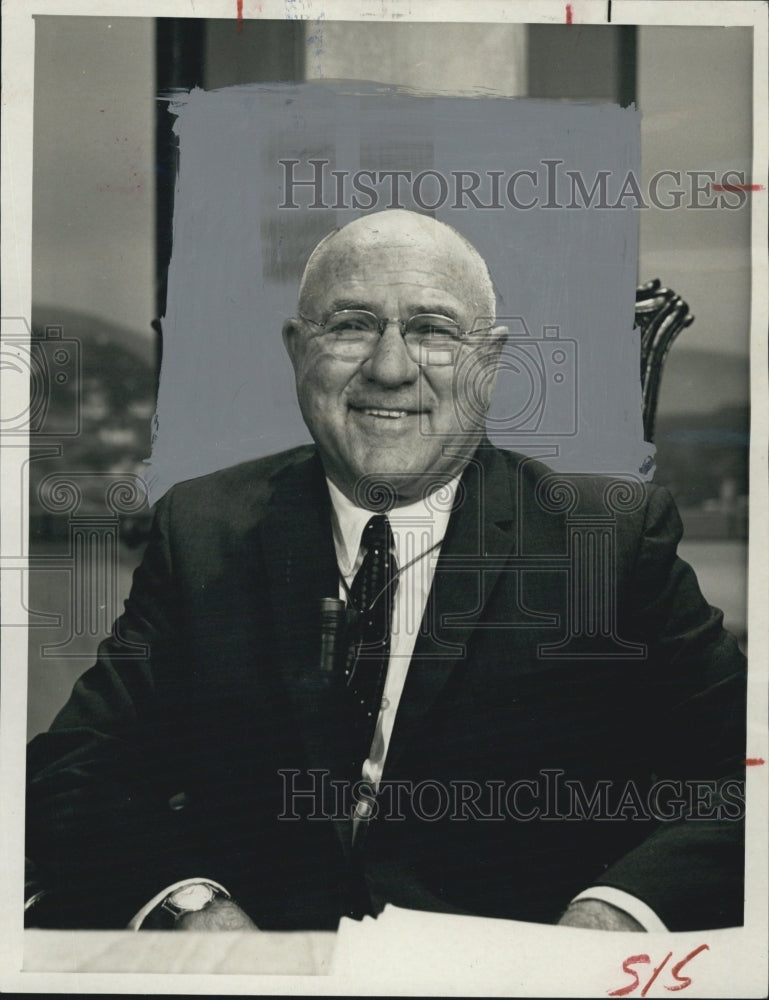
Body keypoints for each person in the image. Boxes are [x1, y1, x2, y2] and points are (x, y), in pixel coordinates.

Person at [26, 209, 745, 933]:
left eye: (431, 330)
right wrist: (191, 906)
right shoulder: (204, 528)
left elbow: (741, 772)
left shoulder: (609, 538)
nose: (390, 368)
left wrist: (611, 915)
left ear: (489, 363)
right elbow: (79, 766)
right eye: (350, 326)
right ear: (296, 351)